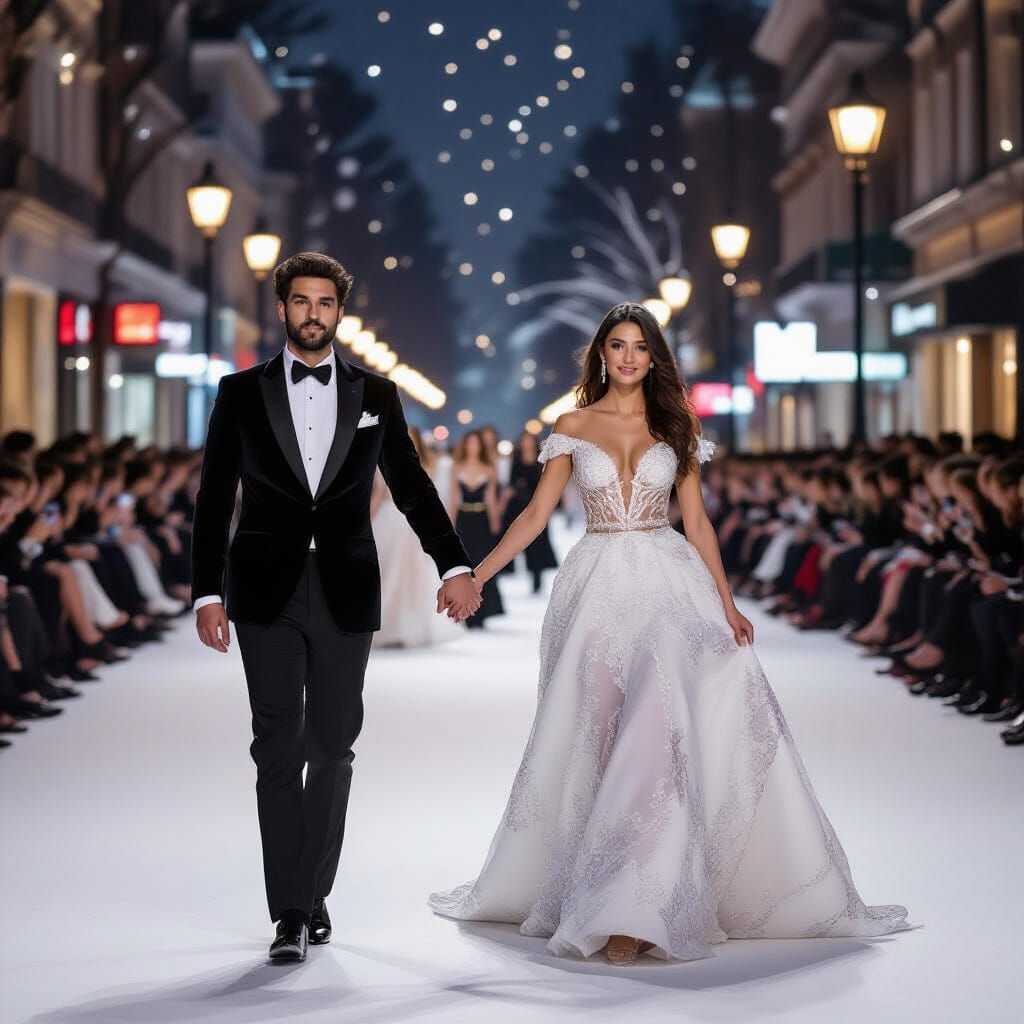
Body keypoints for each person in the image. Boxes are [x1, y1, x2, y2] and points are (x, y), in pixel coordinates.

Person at [429, 302, 910, 965]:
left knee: (655, 736)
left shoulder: (677, 426)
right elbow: (536, 514)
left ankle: (636, 908)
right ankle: (598, 885)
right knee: (596, 730)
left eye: (639, 347)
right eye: (617, 345)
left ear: (654, 358)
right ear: (601, 353)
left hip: (667, 585)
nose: (628, 356)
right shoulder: (572, 426)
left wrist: (728, 601)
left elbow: (698, 523)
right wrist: (475, 575)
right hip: (594, 586)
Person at [192, 252, 479, 963]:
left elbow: (409, 484)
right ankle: (290, 909)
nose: (312, 313)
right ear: (282, 308)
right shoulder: (238, 393)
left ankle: (313, 887)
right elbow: (212, 496)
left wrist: (455, 562)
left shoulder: (375, 393)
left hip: (347, 584)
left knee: (334, 742)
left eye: (325, 302)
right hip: (264, 587)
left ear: (339, 313)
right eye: (300, 301)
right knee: (275, 744)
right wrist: (205, 589)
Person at [371, 427, 462, 647]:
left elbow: (431, 499)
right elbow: (378, 496)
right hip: (389, 522)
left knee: (415, 575)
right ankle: (387, 625)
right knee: (387, 575)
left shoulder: (428, 464)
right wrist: (366, 523)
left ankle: (410, 626)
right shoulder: (380, 460)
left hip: (413, 526)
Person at [448, 430, 504, 628]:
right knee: (465, 564)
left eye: (475, 443)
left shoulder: (489, 468)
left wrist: (495, 522)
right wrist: (450, 526)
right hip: (464, 519)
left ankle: (482, 612)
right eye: (469, 443)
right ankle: (465, 612)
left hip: (481, 520)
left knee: (482, 563)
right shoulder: (457, 468)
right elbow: (454, 499)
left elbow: (490, 499)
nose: (473, 446)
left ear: (480, 446)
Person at [500, 431, 559, 593]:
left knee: (538, 544)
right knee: (521, 541)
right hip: (518, 506)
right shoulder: (516, 461)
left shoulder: (543, 461)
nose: (526, 444)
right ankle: (516, 571)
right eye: (523, 441)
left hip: (538, 506)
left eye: (529, 441)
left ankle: (537, 579)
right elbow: (511, 484)